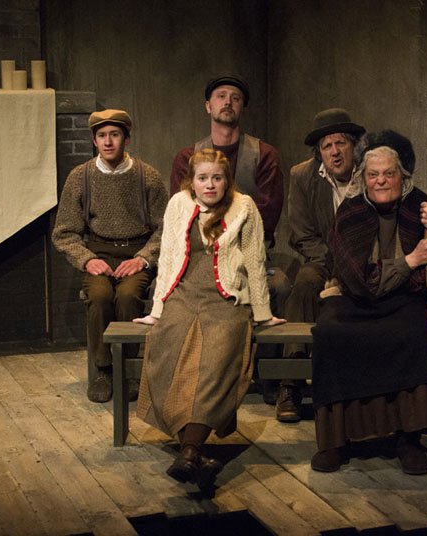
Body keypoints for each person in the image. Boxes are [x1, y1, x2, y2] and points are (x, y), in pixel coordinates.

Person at [310, 130, 427, 475]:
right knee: (329, 334)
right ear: (364, 179)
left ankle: (408, 440)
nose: (381, 181)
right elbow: (357, 280)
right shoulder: (351, 213)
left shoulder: (422, 207)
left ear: (403, 177)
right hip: (355, 300)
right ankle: (335, 441)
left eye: (389, 173)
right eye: (373, 174)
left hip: (405, 300)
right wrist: (410, 261)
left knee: (414, 334)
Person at [134, 149, 285, 490]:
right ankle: (194, 453)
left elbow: (254, 260)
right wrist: (158, 307)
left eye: (217, 177)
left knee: (216, 361)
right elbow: (170, 255)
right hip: (183, 293)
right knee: (167, 354)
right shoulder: (178, 204)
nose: (210, 184)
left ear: (226, 179)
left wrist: (262, 313)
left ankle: (190, 451)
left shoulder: (244, 206)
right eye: (203, 178)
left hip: (226, 298)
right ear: (192, 180)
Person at [170, 73, 289, 404]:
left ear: (242, 108)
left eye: (235, 97)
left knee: (278, 286)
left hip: (252, 256)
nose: (228, 102)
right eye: (221, 96)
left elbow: (266, 213)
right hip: (202, 258)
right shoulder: (187, 157)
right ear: (208, 106)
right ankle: (190, 375)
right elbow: (183, 213)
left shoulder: (264, 154)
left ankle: (270, 377)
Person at [52, 109, 167, 403]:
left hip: (136, 253)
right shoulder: (81, 177)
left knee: (128, 296)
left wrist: (143, 258)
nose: (108, 142)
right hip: (99, 254)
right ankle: (104, 369)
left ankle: (127, 370)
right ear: (94, 140)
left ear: (126, 139)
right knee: (101, 297)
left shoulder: (147, 176)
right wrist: (87, 259)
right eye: (101, 136)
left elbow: (166, 228)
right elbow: (63, 232)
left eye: (114, 135)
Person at [277, 108, 365, 422]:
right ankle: (291, 383)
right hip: (322, 258)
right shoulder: (303, 175)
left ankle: (359, 388)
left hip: (364, 261)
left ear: (354, 146)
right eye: (327, 146)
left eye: (341, 143)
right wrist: (334, 268)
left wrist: (351, 270)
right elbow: (301, 232)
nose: (335, 151)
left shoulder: (370, 173)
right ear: (319, 152)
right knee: (303, 285)